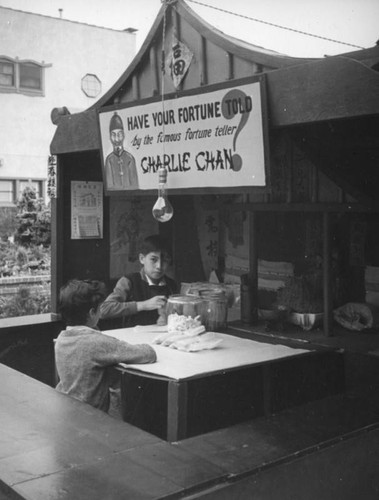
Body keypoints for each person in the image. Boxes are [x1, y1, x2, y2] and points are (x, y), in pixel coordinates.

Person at [55, 279, 156, 413]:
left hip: (68, 410)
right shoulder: (96, 342)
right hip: (94, 417)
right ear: (92, 313)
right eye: (99, 309)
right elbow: (148, 354)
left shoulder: (62, 339)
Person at [100, 234, 179, 327]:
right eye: (153, 259)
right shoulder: (129, 281)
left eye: (165, 260)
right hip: (132, 336)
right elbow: (104, 310)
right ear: (142, 259)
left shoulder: (171, 284)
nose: (159, 266)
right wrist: (143, 305)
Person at [105, 111, 139, 189]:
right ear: (110, 137)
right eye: (113, 135)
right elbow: (109, 186)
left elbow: (135, 185)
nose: (117, 139)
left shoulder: (129, 158)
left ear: (123, 135)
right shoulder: (109, 160)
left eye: (119, 134)